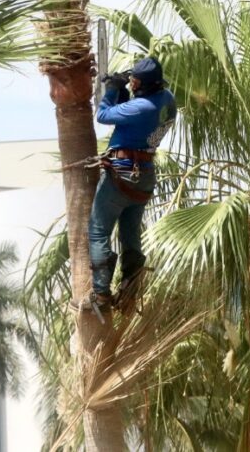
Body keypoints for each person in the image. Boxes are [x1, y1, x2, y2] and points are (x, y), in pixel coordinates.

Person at [86, 56, 176, 310]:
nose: (132, 83)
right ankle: (130, 290)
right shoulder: (167, 100)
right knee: (130, 235)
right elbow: (134, 116)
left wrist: (113, 89)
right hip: (144, 175)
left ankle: (101, 294)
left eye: (135, 81)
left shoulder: (142, 108)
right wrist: (127, 91)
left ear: (144, 85)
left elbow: (103, 115)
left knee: (97, 230)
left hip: (122, 173)